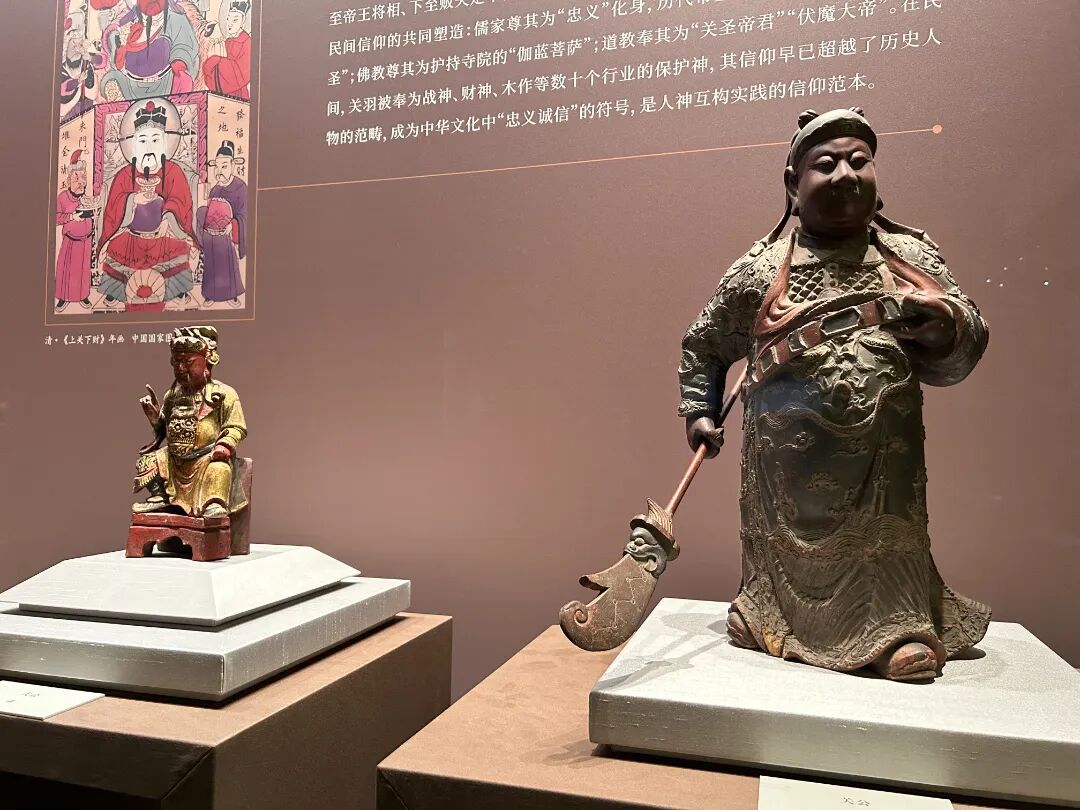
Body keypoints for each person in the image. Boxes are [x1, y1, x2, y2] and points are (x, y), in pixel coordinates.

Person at [679, 108, 990, 682]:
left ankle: (895, 627)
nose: (846, 175)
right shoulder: (759, 270)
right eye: (826, 164)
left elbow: (966, 337)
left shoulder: (911, 260)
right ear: (793, 185)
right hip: (784, 465)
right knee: (781, 541)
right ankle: (765, 612)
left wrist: (944, 324)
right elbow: (704, 345)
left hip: (883, 458)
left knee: (886, 536)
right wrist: (699, 411)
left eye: (859, 161)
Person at [134, 325, 247, 519]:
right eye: (177, 362)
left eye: (188, 362)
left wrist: (225, 444)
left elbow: (235, 425)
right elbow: (166, 428)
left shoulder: (223, 394)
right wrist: (155, 417)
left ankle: (213, 502)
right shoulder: (172, 395)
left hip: (206, 458)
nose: (181, 368)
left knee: (219, 469)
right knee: (147, 461)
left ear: (207, 362)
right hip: (174, 460)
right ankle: (160, 496)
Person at [97, 98, 198, 310]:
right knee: (116, 248)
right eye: (143, 141)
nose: (149, 147)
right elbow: (113, 207)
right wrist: (132, 200)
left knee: (178, 247)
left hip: (163, 234)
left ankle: (177, 289)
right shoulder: (125, 174)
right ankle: (116, 291)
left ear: (165, 142)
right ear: (133, 144)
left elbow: (181, 201)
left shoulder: (173, 172)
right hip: (131, 234)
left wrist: (167, 218)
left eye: (155, 140)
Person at [98, 0, 200, 100]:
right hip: (130, 86)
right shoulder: (129, 24)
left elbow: (185, 46)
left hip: (167, 82)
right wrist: (119, 51)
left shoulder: (176, 19)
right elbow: (116, 58)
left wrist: (179, 62)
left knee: (184, 82)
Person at [197, 140, 246, 306]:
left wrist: (233, 225)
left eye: (224, 166)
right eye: (216, 167)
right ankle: (210, 294)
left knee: (228, 266)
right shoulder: (215, 189)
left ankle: (232, 295)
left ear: (233, 165)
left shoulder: (241, 188)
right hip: (211, 237)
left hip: (227, 237)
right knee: (211, 265)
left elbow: (244, 215)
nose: (219, 172)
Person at [55, 150, 96, 311]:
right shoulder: (63, 197)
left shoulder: (86, 198)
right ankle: (63, 297)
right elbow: (56, 218)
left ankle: (83, 296)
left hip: (86, 239)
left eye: (82, 177)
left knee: (83, 270)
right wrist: (72, 216)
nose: (80, 182)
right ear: (69, 180)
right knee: (66, 270)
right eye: (76, 178)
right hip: (70, 240)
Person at [202, 0, 251, 99]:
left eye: (235, 20)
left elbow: (243, 72)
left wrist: (217, 61)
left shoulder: (247, 42)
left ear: (243, 21)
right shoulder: (226, 41)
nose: (230, 24)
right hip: (223, 87)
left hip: (239, 91)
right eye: (228, 19)